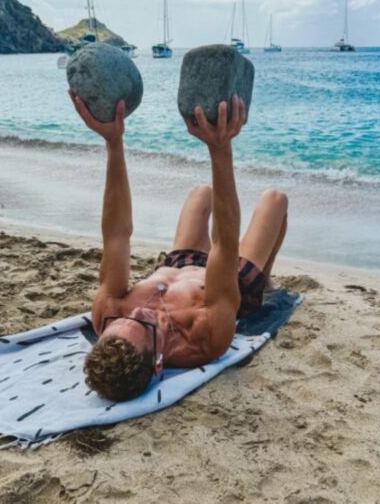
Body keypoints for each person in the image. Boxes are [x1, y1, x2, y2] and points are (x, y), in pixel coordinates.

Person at [68, 91, 288, 401]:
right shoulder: (205, 336)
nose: (141, 309)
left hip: (176, 266)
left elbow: (116, 234)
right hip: (226, 282)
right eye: (145, 325)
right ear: (159, 364)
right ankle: (264, 279)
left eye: (123, 322)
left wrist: (113, 142)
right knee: (275, 200)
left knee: (201, 192)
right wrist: (220, 149)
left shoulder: (107, 314)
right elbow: (224, 245)